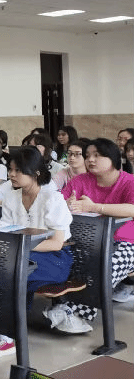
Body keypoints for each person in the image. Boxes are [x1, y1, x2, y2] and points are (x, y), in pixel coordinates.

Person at [0, 148, 74, 357]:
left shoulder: (52, 198)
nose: (11, 174)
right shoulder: (11, 197)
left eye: (18, 171)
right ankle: (4, 326)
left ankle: (8, 335)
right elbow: (6, 231)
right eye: (10, 170)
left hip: (55, 259)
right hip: (21, 255)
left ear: (36, 173)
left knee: (11, 270)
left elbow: (56, 243)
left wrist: (19, 246)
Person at [50, 138, 134, 329]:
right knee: (63, 262)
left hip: (126, 242)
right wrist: (67, 205)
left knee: (103, 268)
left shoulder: (129, 181)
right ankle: (68, 309)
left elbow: (132, 209)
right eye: (87, 156)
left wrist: (95, 207)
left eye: (97, 155)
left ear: (113, 158)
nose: (90, 160)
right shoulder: (80, 181)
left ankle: (74, 311)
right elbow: (58, 204)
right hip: (87, 241)